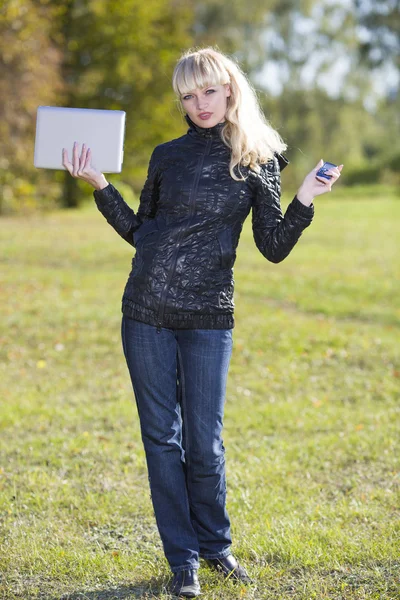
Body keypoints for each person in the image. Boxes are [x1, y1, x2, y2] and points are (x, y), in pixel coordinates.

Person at [62, 46, 343, 598]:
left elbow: (273, 246)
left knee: (205, 442)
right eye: (188, 96)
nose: (199, 104)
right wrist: (99, 184)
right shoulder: (166, 155)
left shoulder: (259, 159)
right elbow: (141, 231)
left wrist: (305, 198)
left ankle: (217, 548)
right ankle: (183, 559)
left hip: (210, 315)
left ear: (231, 89)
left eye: (208, 91)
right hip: (145, 310)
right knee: (162, 440)